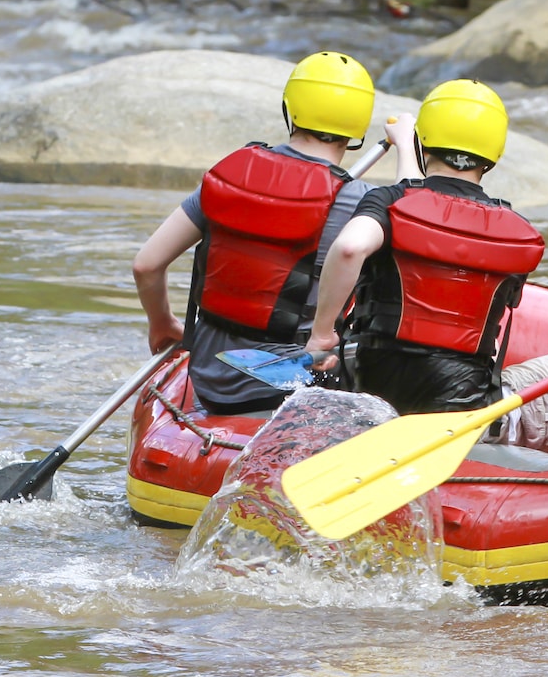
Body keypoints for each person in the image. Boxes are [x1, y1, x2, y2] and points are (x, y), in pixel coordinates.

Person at [131, 51, 380, 414]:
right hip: (292, 383)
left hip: (208, 375)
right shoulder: (360, 201)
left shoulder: (232, 175)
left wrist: (162, 324)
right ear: (359, 127)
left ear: (289, 109)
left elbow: (146, 265)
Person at [306, 80, 548, 418]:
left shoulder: (391, 203)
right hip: (461, 408)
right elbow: (435, 211)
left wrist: (322, 335)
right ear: (493, 155)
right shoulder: (515, 231)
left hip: (374, 388)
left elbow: (350, 246)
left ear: (425, 143)